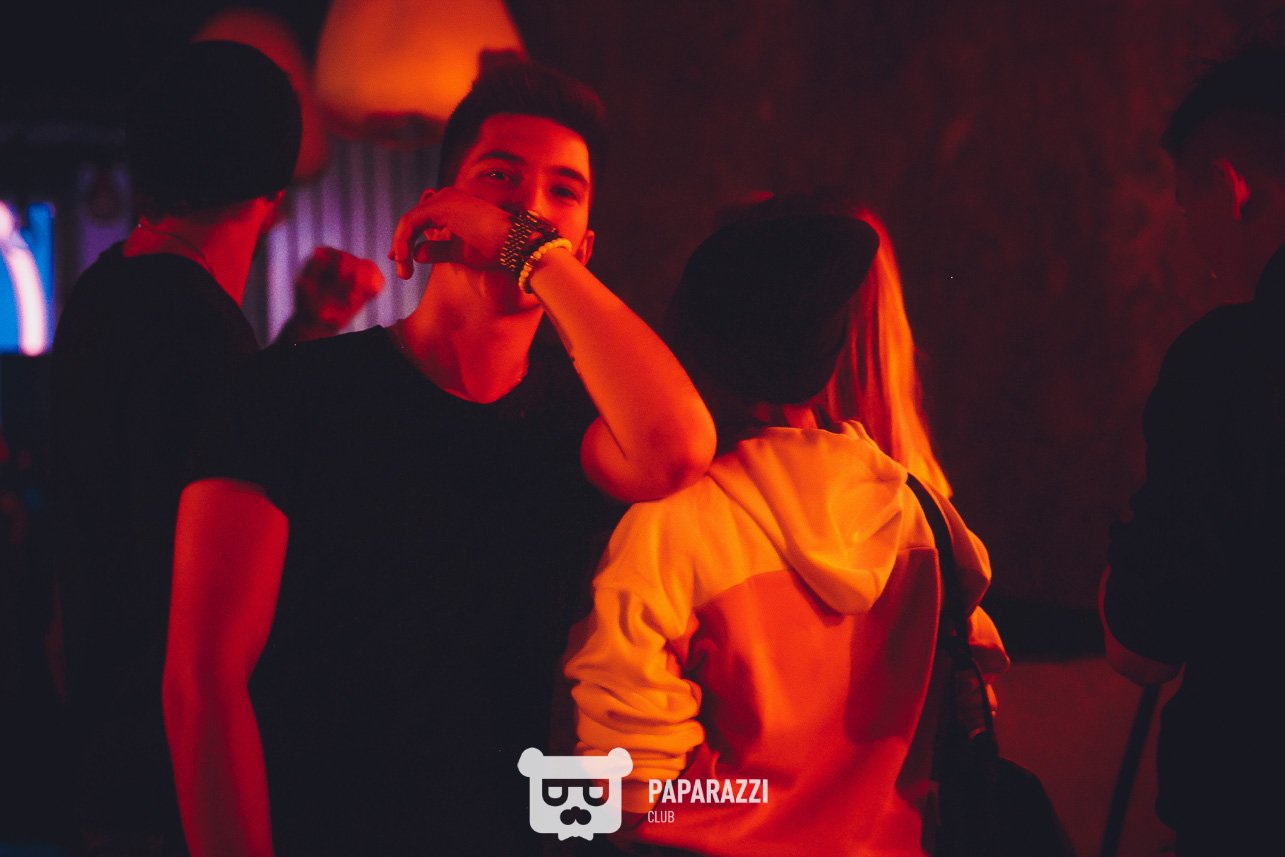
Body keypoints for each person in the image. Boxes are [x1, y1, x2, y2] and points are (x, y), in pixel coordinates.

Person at [162, 61, 715, 857]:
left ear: (582, 248)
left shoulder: (575, 429)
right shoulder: (290, 391)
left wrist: (534, 255)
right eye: (500, 177)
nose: (529, 207)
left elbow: (678, 449)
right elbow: (203, 686)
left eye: (563, 191)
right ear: (438, 206)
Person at [563, 211, 1007, 855]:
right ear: (827, 360)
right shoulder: (923, 515)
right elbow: (972, 702)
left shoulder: (666, 530)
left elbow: (628, 792)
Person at [50, 41, 302, 857]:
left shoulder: (101, 290)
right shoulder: (203, 335)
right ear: (274, 189)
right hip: (179, 783)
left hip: (99, 754)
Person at [1101, 39, 1285, 855]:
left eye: (1185, 210)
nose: (1193, 245)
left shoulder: (1229, 362)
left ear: (1231, 187)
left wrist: (1115, 587)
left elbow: (1145, 639)